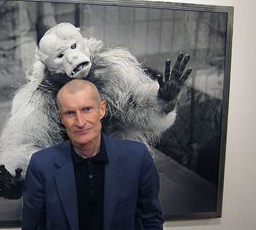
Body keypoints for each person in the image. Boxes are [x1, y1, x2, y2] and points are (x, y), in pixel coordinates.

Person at [22, 79, 164, 230]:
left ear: (102, 109)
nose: (80, 122)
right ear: (61, 117)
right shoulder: (41, 165)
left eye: (87, 109)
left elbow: (151, 221)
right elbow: (32, 227)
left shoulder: (137, 157)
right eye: (70, 113)